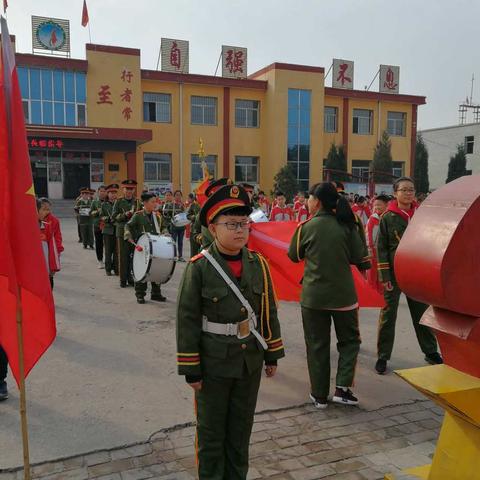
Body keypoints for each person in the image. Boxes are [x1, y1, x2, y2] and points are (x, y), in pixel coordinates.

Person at [176, 184, 284, 479]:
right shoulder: (199, 267)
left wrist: (272, 353)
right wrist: (191, 368)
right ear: (212, 227)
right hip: (213, 364)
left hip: (248, 362)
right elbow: (186, 318)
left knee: (240, 433)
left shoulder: (257, 264)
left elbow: (267, 311)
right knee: (211, 435)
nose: (240, 230)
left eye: (244, 223)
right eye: (231, 224)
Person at [288, 182, 368, 409]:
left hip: (313, 297)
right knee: (350, 342)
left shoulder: (306, 227)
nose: (306, 202)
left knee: (316, 345)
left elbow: (293, 255)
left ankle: (319, 395)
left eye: (309, 198)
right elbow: (359, 258)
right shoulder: (348, 225)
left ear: (318, 201)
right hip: (343, 296)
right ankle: (343, 388)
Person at [375, 177, 442, 374]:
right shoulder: (388, 217)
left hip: (416, 273)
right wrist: (385, 277)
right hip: (394, 274)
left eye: (411, 190)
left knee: (422, 314)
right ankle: (383, 356)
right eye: (403, 190)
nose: (408, 193)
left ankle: (430, 352)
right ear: (395, 193)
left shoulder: (422, 214)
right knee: (388, 315)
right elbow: (381, 249)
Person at [125, 192, 167, 304]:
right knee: (142, 270)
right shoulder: (138, 215)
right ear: (145, 203)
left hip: (157, 247)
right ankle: (140, 294)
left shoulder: (158, 216)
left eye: (155, 201)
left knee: (156, 269)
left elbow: (164, 227)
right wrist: (128, 235)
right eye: (152, 202)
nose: (155, 204)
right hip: (142, 247)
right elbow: (128, 225)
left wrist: (165, 232)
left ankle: (156, 293)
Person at [191, 178, 233, 252]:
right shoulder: (203, 214)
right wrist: (202, 238)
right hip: (209, 255)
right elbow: (195, 233)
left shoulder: (237, 213)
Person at [113, 180, 141, 288]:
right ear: (123, 190)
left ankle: (130, 278)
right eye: (127, 189)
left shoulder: (137, 202)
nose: (129, 191)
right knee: (123, 257)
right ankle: (123, 279)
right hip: (122, 232)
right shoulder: (119, 201)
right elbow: (114, 216)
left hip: (134, 232)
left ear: (134, 190)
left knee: (132, 257)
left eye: (131, 189)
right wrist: (125, 214)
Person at [365, 195, 389, 293]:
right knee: (372, 272)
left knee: (381, 273)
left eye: (379, 205)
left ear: (386, 205)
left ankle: (380, 292)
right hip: (374, 250)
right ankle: (371, 291)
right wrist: (370, 249)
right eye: (375, 205)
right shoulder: (372, 219)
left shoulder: (387, 217)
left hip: (384, 250)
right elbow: (368, 235)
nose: (377, 207)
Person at [37, 198, 60, 288]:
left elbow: (54, 243)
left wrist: (54, 265)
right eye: (44, 209)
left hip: (48, 262)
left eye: (48, 209)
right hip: (35, 266)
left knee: (48, 284)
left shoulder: (50, 224)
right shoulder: (28, 226)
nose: (46, 212)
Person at [100, 184, 119, 276]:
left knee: (117, 251)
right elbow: (101, 216)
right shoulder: (104, 204)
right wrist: (107, 219)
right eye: (111, 193)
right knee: (108, 251)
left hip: (118, 230)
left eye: (115, 192)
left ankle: (116, 268)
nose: (113, 195)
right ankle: (108, 269)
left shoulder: (119, 203)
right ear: (108, 194)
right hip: (108, 230)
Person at [163, 190, 187, 262]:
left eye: (179, 195)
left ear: (181, 196)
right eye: (176, 195)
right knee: (173, 241)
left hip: (182, 226)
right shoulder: (171, 205)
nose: (178, 196)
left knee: (180, 242)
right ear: (174, 196)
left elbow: (185, 215)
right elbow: (166, 215)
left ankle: (180, 256)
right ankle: (173, 255)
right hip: (174, 226)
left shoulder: (183, 205)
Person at [90, 185, 107, 269]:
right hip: (97, 225)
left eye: (104, 191)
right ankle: (100, 260)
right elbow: (91, 213)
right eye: (101, 191)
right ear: (98, 192)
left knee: (108, 243)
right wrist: (97, 211)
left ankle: (108, 260)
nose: (103, 193)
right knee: (99, 243)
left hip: (108, 225)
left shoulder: (109, 201)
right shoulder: (94, 202)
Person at [186, 194, 201, 258]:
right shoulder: (193, 205)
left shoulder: (206, 204)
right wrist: (194, 217)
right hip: (194, 230)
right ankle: (193, 266)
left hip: (205, 230)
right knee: (194, 251)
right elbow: (188, 215)